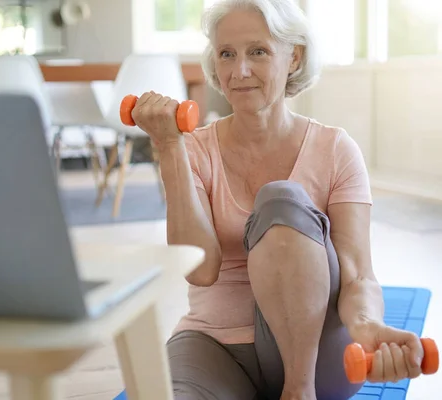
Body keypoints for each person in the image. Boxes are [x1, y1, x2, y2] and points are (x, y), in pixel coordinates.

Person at [132, 0, 425, 399]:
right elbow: (200, 270)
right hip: (216, 346)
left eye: (258, 51)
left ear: (293, 58)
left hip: (319, 356)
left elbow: (357, 274)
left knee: (281, 200)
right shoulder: (193, 150)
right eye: (226, 54)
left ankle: (298, 390)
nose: (240, 71)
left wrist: (368, 327)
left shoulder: (335, 149)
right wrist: (170, 148)